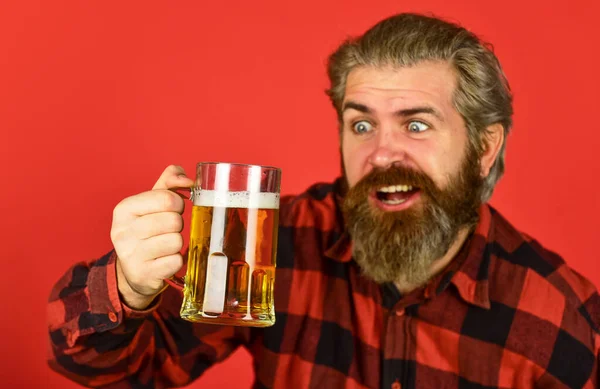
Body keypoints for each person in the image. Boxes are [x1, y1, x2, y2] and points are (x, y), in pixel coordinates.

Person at [47, 13, 599, 389]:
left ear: (484, 147)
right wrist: (129, 288)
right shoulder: (276, 245)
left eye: (415, 124)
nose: (382, 154)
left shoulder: (560, 320)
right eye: (361, 123)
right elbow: (109, 370)